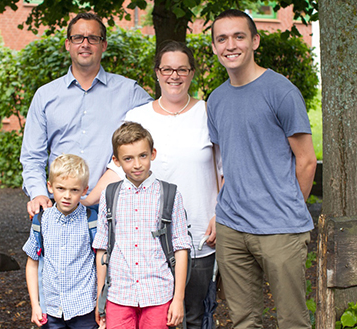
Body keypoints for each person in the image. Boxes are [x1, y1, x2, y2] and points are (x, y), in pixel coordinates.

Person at [84, 41, 221, 328]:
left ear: (192, 73)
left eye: (182, 69)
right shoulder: (139, 116)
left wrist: (220, 214)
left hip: (197, 235)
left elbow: (225, 170)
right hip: (145, 248)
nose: (175, 75)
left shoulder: (208, 113)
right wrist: (85, 199)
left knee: (194, 316)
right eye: (167, 69)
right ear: (157, 73)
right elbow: (117, 170)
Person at [207, 9, 317, 329]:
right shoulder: (216, 100)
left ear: (254, 41)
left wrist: (289, 208)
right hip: (232, 226)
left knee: (292, 320)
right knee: (243, 320)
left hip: (280, 228)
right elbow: (227, 161)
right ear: (214, 47)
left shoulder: (280, 91)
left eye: (239, 36)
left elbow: (307, 160)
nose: (231, 45)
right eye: (222, 38)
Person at [20, 12, 152, 217]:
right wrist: (38, 194)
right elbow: (32, 156)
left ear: (104, 45)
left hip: (116, 209)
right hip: (59, 208)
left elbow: (161, 123)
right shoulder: (45, 96)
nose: (85, 44)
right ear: (68, 44)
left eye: (93, 38)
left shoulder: (130, 92)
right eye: (78, 38)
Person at [92, 122, 192, 329]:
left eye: (142, 156)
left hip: (158, 293)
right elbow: (102, 248)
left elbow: (181, 248)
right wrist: (100, 299)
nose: (137, 164)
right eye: (128, 158)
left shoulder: (170, 195)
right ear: (116, 161)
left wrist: (178, 299)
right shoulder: (109, 196)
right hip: (118, 294)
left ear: (152, 154)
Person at [22, 154, 97, 328]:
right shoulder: (41, 221)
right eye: (61, 188)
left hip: (84, 308)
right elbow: (32, 264)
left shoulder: (91, 221)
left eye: (74, 190)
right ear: (50, 187)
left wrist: (102, 304)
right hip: (53, 309)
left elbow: (101, 264)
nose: (67, 196)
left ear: (85, 190)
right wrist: (35, 305)